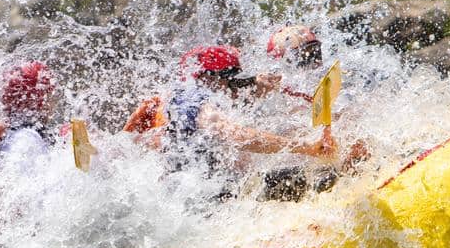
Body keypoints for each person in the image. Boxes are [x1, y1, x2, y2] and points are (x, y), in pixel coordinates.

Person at [124, 45, 336, 178]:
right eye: (232, 82)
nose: (235, 91)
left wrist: (258, 84)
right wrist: (306, 147)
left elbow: (236, 100)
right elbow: (234, 133)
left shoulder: (179, 97)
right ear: (210, 78)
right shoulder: (192, 98)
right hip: (201, 201)